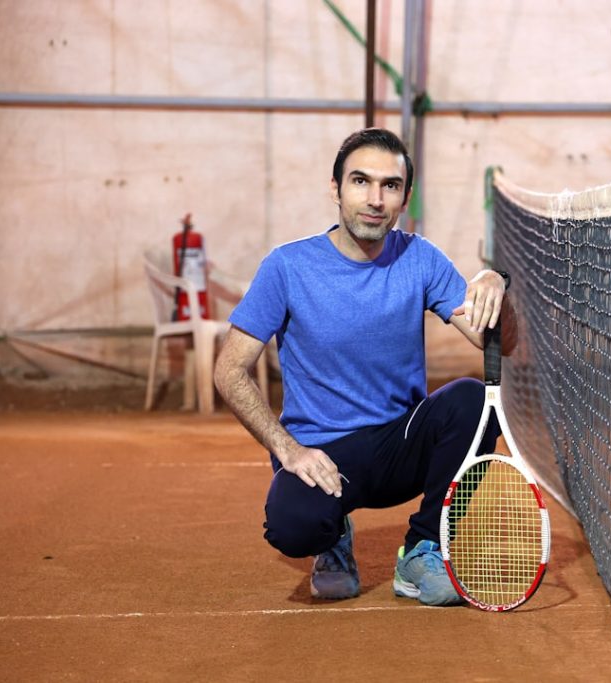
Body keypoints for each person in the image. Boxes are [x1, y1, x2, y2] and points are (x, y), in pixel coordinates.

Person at [214, 128, 517, 606]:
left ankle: (424, 547)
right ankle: (331, 537)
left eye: (390, 186)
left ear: (405, 197)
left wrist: (496, 282)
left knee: (476, 401)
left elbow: (495, 343)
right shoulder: (287, 267)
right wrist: (288, 451)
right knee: (293, 528)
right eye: (360, 182)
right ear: (335, 189)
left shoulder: (420, 258)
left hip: (400, 442)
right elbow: (228, 371)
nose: (375, 199)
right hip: (323, 455)